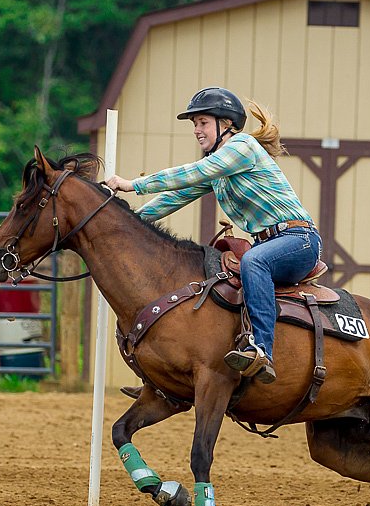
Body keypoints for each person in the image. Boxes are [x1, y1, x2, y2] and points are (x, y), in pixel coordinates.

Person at [105, 87, 321, 385]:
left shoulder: (241, 147)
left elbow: (191, 173)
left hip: (299, 240)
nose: (196, 130)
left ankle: (261, 350)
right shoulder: (218, 167)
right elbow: (176, 196)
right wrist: (124, 222)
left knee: (254, 262)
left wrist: (133, 185)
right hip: (271, 243)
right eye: (194, 124)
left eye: (202, 122)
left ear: (226, 125)